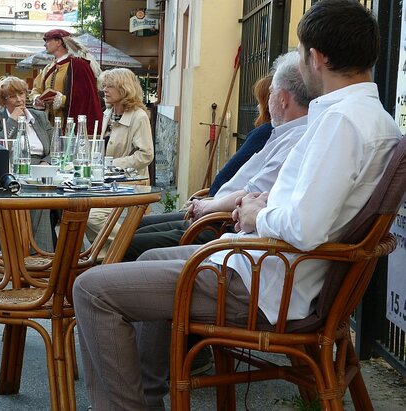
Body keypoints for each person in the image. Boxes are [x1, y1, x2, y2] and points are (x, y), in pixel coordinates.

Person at [72, 1, 402, 409]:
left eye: (300, 55)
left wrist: (256, 212)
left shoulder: (341, 122)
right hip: (276, 271)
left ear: (316, 58)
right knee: (149, 255)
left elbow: (306, 228)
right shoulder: (372, 118)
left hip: (267, 282)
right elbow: (316, 210)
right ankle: (150, 392)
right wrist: (264, 204)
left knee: (91, 289)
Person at [123, 51, 311, 262]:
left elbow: (250, 193)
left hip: (222, 224)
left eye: (272, 92)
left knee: (128, 243)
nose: (267, 101)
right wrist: (207, 202)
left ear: (283, 99)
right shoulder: (282, 134)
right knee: (129, 229)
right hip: (215, 213)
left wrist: (206, 205)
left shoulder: (295, 139)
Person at [83, 68, 154, 251]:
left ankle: (131, 245)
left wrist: (112, 164)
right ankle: (106, 256)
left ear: (124, 88)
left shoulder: (139, 116)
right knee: (79, 214)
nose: (104, 90)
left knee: (93, 218)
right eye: (104, 85)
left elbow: (146, 154)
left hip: (129, 183)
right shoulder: (108, 113)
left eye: (110, 86)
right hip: (104, 181)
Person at [0, 76, 55, 251]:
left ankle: (40, 255)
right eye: (12, 96)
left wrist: (46, 163)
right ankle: (40, 256)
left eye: (22, 93)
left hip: (43, 169)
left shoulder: (39, 116)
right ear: (3, 100)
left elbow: (55, 147)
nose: (19, 99)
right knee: (40, 201)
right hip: (13, 171)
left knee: (52, 199)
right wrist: (13, 121)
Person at [29, 29, 103, 130]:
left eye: (47, 41)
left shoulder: (79, 65)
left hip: (69, 126)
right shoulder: (48, 68)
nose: (45, 45)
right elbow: (36, 89)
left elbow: (85, 97)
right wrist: (37, 98)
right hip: (49, 127)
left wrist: (61, 100)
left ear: (59, 42)